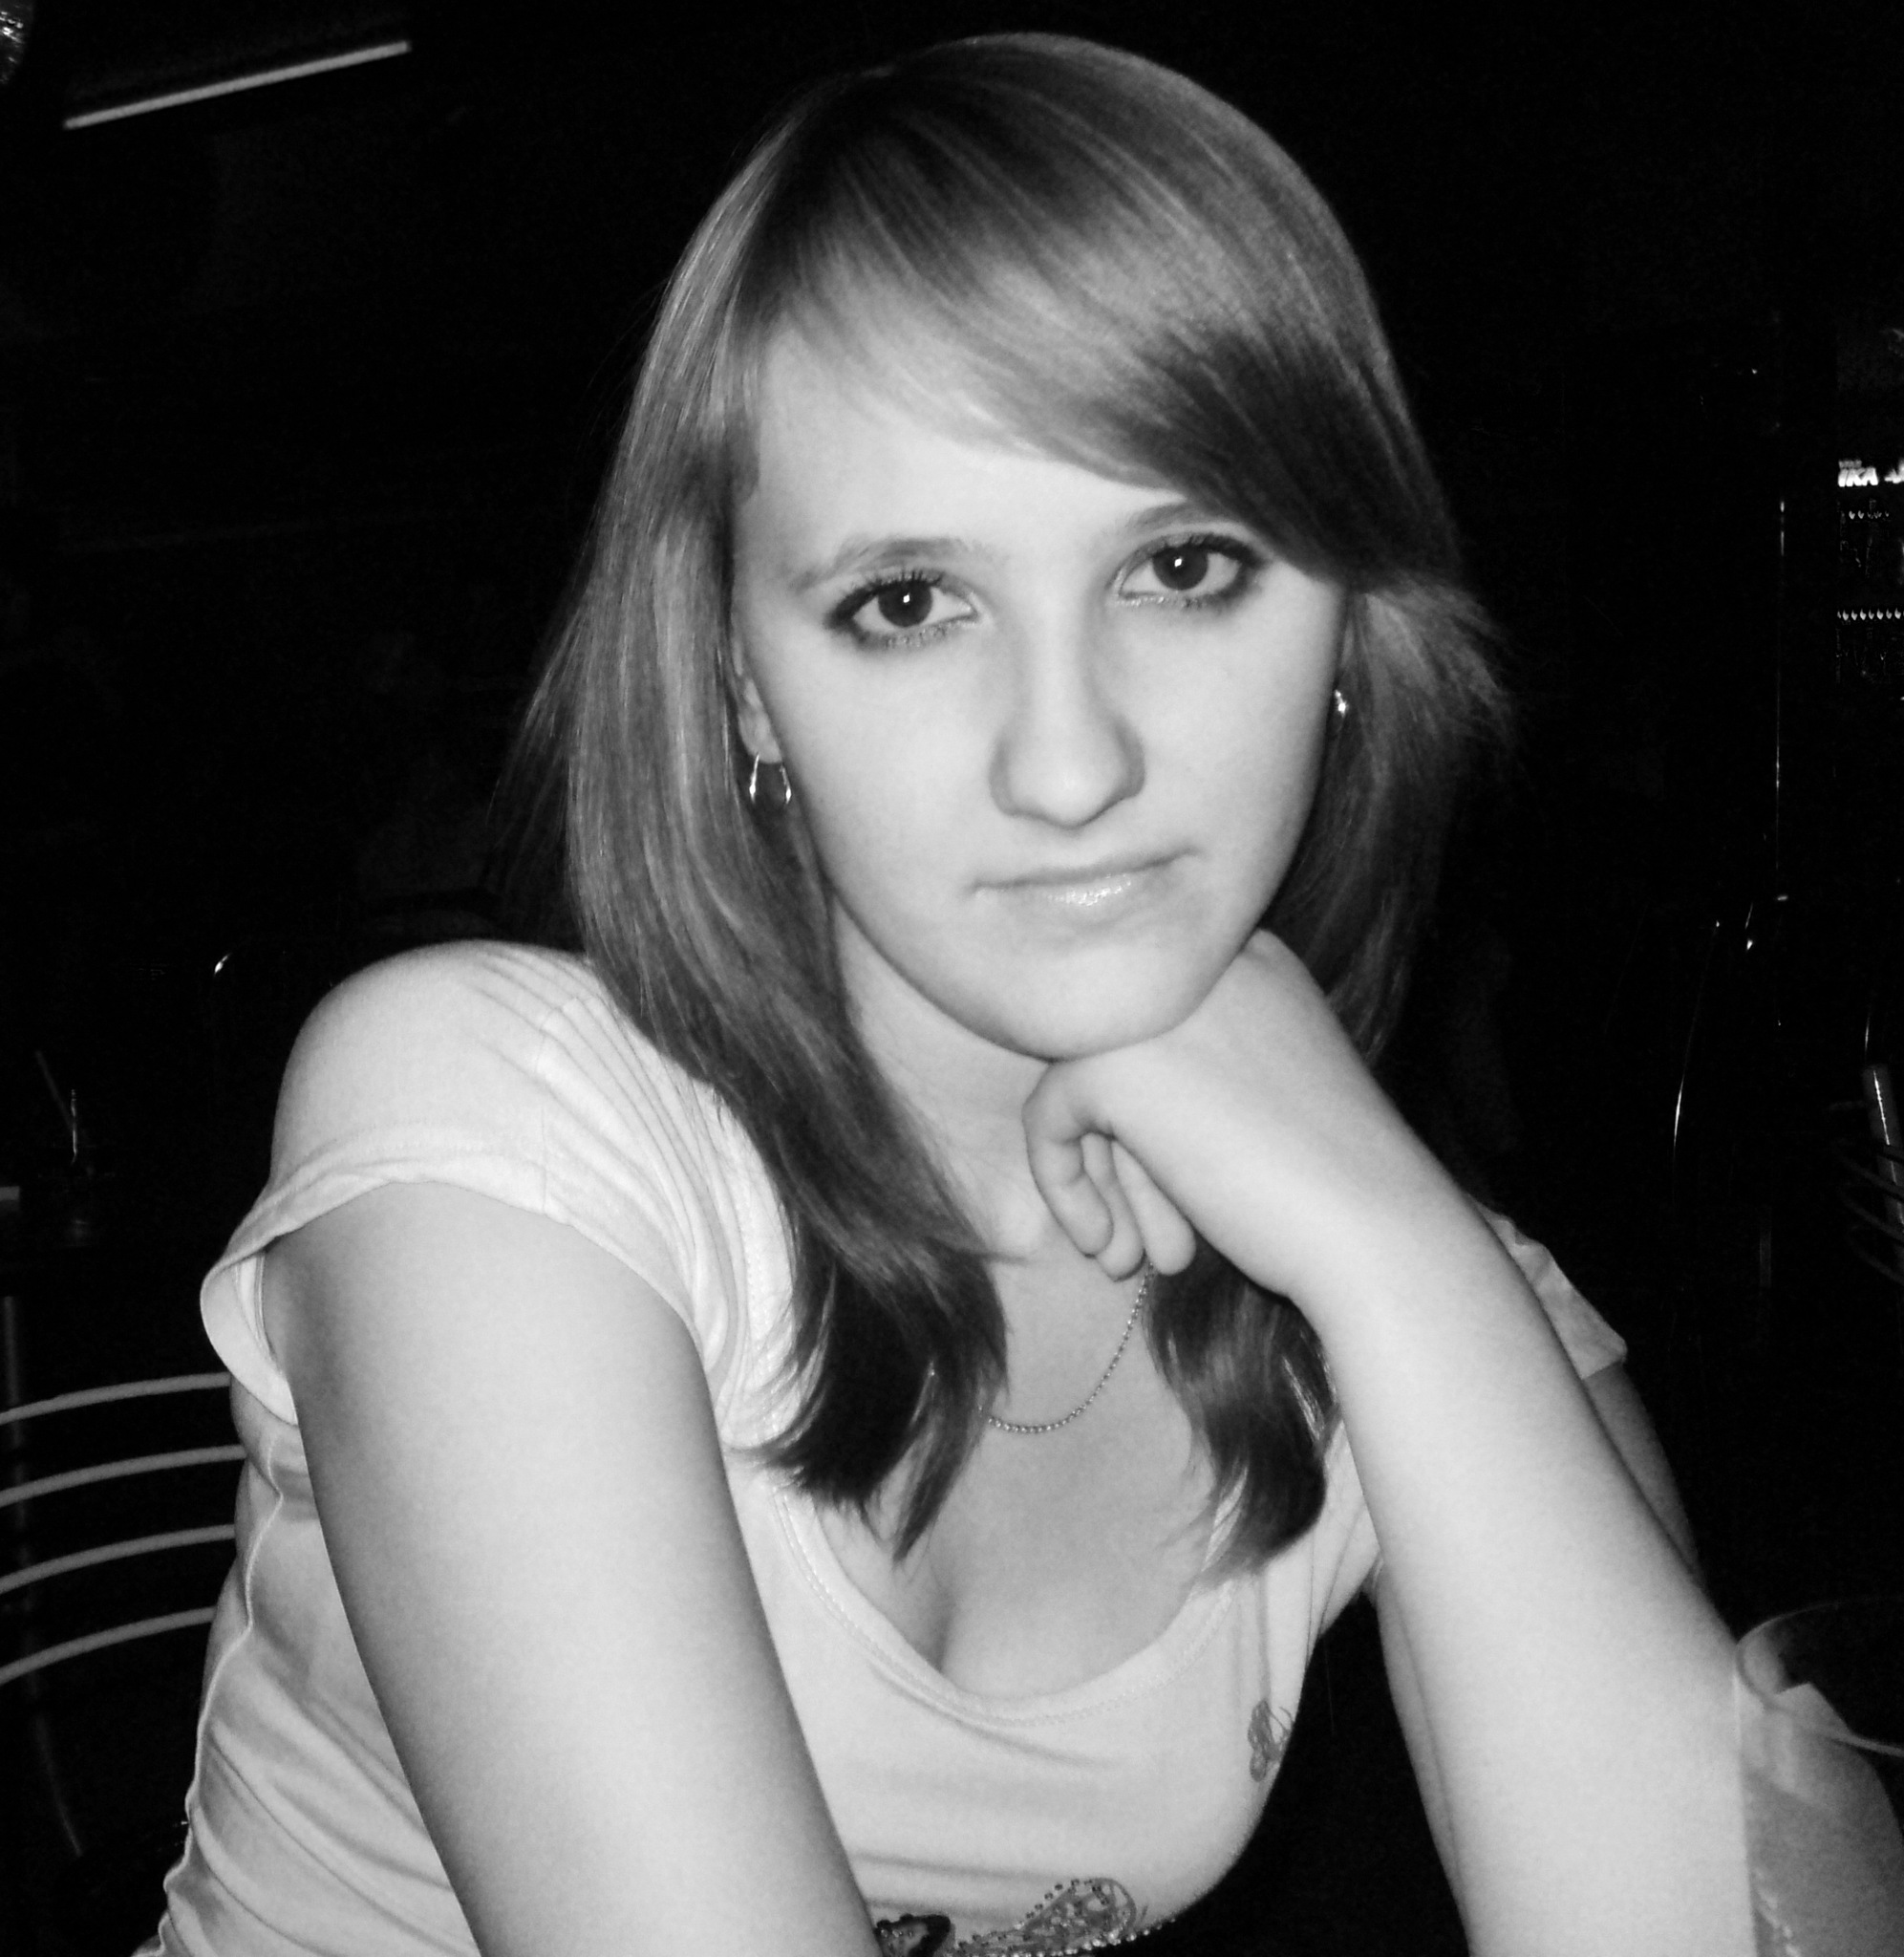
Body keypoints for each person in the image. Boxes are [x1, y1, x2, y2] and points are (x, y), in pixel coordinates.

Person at [147, 34, 1750, 1957]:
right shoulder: (503, 1131)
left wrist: (1396, 1250)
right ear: (742, 684)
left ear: (1345, 625)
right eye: (907, 603)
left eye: (1182, 565)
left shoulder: (1407, 1279)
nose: (1068, 765)